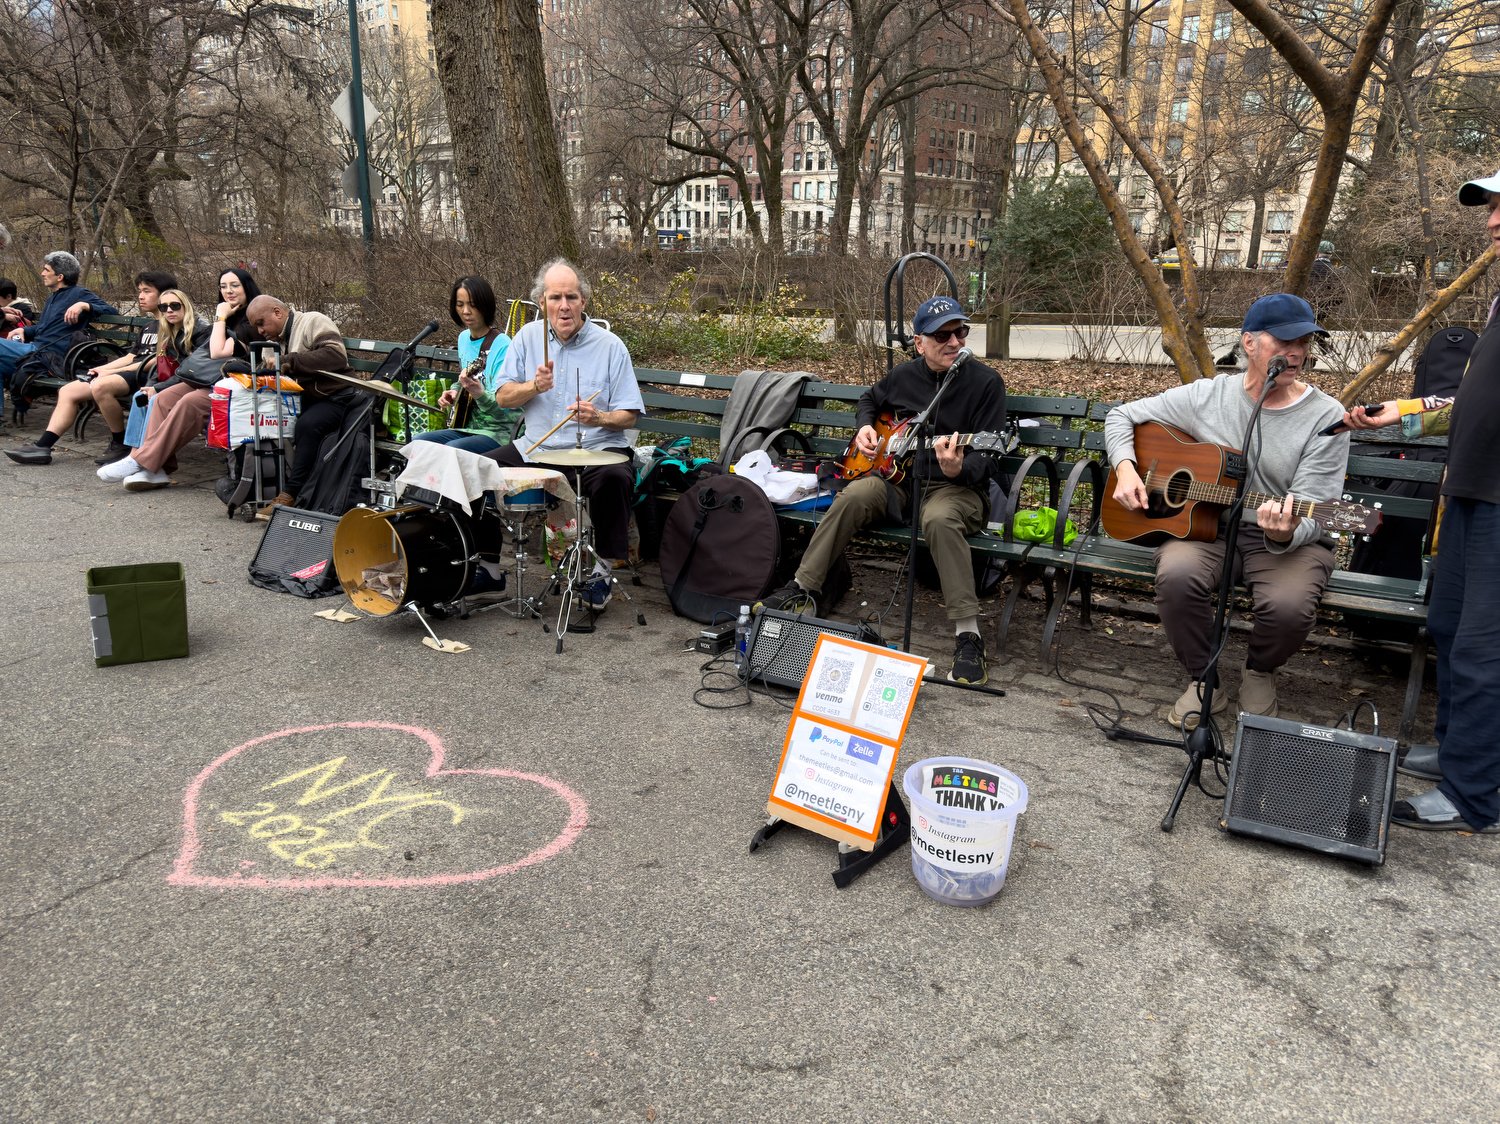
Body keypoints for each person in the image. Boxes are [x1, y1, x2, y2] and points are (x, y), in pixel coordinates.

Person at [1339, 167, 1500, 833]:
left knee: (1485, 649)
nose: (1491, 221)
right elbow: (1469, 402)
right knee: (1450, 627)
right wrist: (1401, 414)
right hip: (1469, 486)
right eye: (1490, 207)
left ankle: (1476, 797)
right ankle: (1464, 756)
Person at [1104, 293, 1349, 729]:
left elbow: (1318, 508)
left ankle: (1258, 671)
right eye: (1284, 342)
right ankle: (1205, 678)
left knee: (1289, 605)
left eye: (1304, 342)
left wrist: (1283, 531)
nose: (1296, 354)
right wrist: (1125, 470)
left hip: (1282, 539)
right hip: (1208, 529)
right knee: (1176, 576)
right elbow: (1120, 416)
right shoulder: (1207, 395)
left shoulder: (1326, 416)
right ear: (1249, 343)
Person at [757, 295, 1008, 686]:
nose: (955, 342)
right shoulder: (905, 376)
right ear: (918, 342)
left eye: (960, 332)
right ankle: (801, 588)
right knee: (854, 496)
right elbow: (870, 399)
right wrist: (865, 426)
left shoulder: (986, 383)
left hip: (955, 488)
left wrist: (960, 467)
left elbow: (990, 457)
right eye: (943, 335)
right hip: (899, 482)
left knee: (939, 519)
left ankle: (968, 634)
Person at [481, 258, 642, 612]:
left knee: (616, 477)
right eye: (555, 297)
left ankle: (602, 569)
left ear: (584, 301)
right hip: (538, 449)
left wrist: (599, 417)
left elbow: (629, 416)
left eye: (572, 296)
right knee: (478, 471)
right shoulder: (525, 338)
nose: (564, 306)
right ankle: (489, 567)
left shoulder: (610, 346)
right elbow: (503, 397)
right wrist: (532, 386)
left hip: (597, 452)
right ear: (542, 302)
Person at [4, 270, 177, 465]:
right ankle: (43, 447)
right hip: (129, 371)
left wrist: (109, 372)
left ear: (164, 294)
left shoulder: (172, 324)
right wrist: (104, 368)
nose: (140, 296)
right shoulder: (149, 326)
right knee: (68, 390)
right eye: (139, 291)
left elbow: (158, 360)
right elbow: (130, 356)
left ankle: (120, 443)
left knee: (101, 386)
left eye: (147, 291)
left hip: (148, 376)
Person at [242, 294, 366, 513]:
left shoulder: (313, 320)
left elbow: (335, 356)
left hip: (337, 397)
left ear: (277, 312)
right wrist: (243, 371)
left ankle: (290, 494)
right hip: (303, 401)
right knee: (259, 422)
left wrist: (289, 361)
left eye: (261, 323)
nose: (259, 331)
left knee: (307, 425)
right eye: (255, 327)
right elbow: (267, 373)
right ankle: (251, 486)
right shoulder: (270, 344)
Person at [92, 290, 212, 489]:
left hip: (202, 381)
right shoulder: (172, 330)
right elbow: (161, 364)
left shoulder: (202, 330)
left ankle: (140, 460)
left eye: (175, 305)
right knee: (145, 396)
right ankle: (145, 462)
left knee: (160, 397)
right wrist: (151, 386)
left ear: (186, 305)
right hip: (187, 381)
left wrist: (158, 387)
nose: (169, 310)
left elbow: (192, 369)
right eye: (164, 307)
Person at [0, 251, 117, 425]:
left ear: (60, 276)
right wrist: (25, 331)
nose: (42, 273)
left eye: (46, 270)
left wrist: (84, 305)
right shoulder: (53, 297)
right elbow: (44, 327)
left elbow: (112, 312)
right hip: (36, 349)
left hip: (50, 356)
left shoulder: (78, 294)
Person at [416, 276, 518, 453]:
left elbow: (506, 409)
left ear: (485, 305)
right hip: (467, 427)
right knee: (419, 443)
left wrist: (479, 394)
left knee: (452, 450)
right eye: (460, 304)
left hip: (499, 432)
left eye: (472, 304)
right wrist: (455, 391)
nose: (466, 311)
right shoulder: (463, 339)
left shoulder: (503, 345)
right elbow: (464, 379)